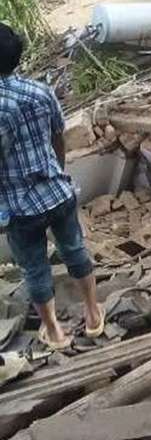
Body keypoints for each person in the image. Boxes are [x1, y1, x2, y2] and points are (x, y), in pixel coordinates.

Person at [0, 24, 103, 350]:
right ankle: (92, 315)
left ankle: (55, 332)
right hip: (57, 193)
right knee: (75, 251)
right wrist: (56, 173)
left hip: (19, 206)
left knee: (35, 269)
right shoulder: (39, 91)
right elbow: (58, 136)